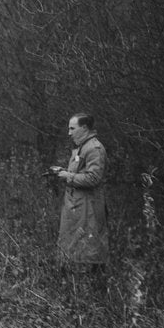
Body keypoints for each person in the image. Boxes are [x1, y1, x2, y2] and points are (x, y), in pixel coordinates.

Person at [51, 112, 109, 287]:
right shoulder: (81, 148)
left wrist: (67, 176)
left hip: (88, 210)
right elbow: (81, 174)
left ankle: (91, 292)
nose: (69, 133)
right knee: (73, 249)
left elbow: (93, 178)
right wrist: (63, 172)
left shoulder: (94, 149)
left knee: (90, 251)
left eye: (72, 128)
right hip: (77, 209)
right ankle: (71, 289)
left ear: (84, 129)